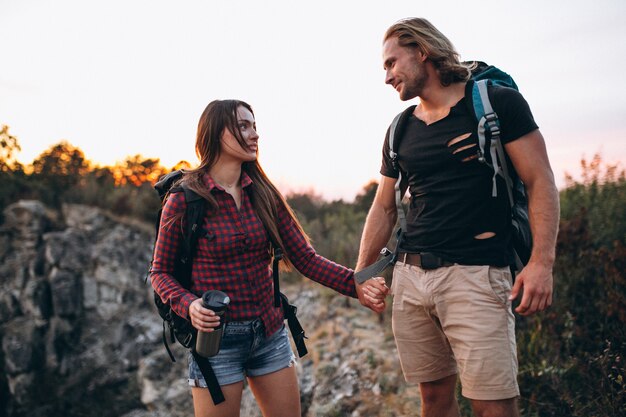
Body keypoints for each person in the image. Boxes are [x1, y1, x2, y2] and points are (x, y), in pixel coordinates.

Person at [355, 18, 560, 417]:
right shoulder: (400, 129)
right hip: (411, 281)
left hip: (476, 277)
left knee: (494, 407)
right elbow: (384, 205)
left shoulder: (497, 104)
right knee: (433, 401)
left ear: (422, 51)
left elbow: (540, 181)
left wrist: (541, 263)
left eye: (391, 63)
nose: (386, 77)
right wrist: (362, 273)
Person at [150, 99, 388, 417]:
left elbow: (304, 257)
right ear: (216, 133)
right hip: (216, 343)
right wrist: (189, 305)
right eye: (244, 126)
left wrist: (355, 284)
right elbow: (160, 272)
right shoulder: (185, 199)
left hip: (270, 334)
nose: (255, 134)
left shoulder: (263, 194)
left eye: (255, 126)